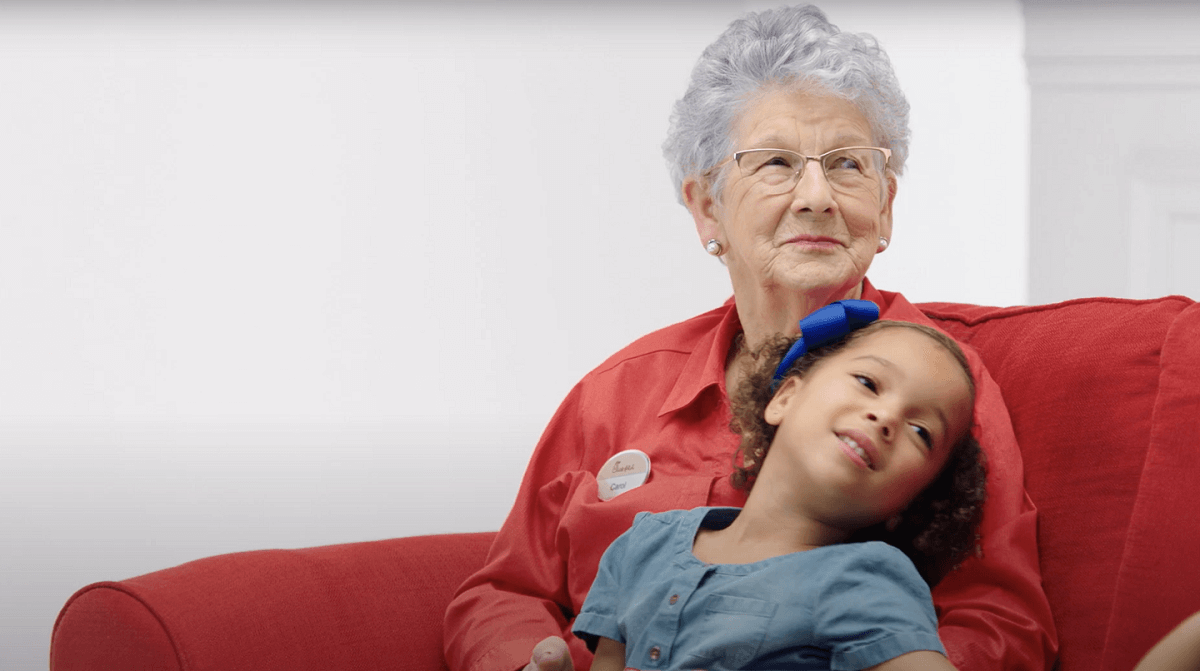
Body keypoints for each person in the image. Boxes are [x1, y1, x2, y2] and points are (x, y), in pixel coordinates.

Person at [443, 5, 1057, 671]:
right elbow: (505, 589)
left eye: (849, 164)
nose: (817, 195)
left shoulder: (938, 388)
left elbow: (1001, 620)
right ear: (707, 208)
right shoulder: (616, 394)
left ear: (884, 208)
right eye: (776, 163)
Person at [574, 314, 988, 671]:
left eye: (921, 432)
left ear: (913, 500)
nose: (887, 418)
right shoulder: (641, 543)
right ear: (785, 398)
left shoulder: (866, 580)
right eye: (868, 382)